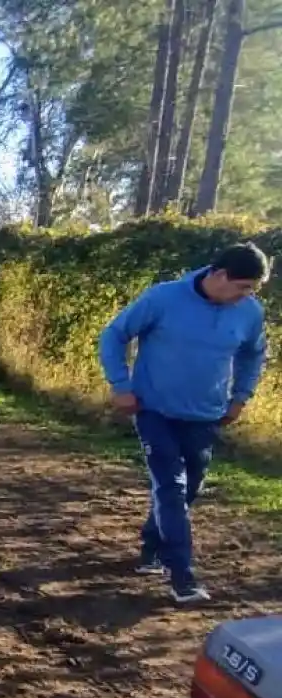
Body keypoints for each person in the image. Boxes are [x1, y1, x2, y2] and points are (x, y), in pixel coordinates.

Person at [98, 242, 270, 604]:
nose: (246, 296)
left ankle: (152, 546)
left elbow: (254, 354)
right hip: (154, 409)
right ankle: (183, 577)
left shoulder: (249, 312)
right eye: (243, 287)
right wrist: (120, 384)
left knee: (188, 487)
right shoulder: (163, 298)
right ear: (219, 275)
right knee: (170, 487)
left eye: (251, 290)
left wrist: (241, 397)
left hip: (205, 415)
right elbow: (113, 334)